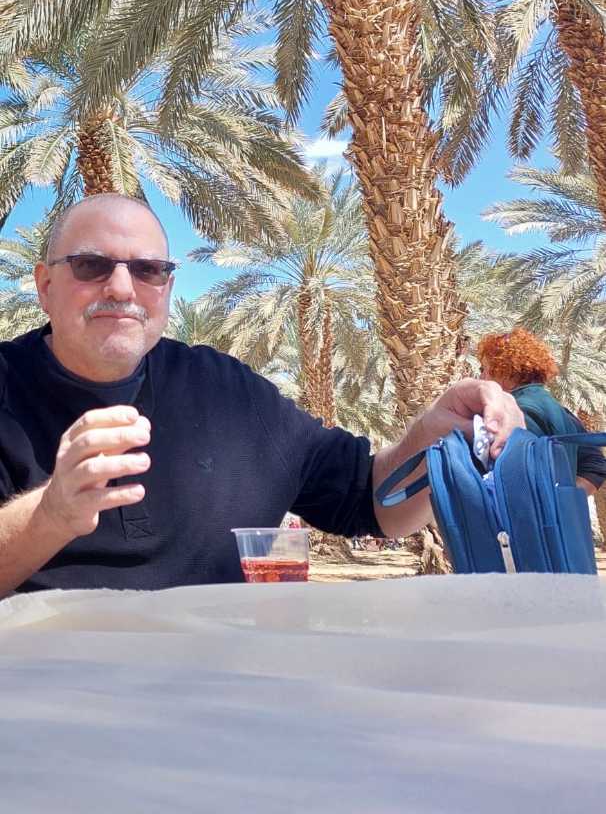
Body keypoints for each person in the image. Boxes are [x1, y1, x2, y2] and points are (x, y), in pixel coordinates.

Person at [0, 194, 525, 596]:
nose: (121, 288)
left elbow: (370, 502)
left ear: (166, 288)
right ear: (45, 286)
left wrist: (435, 437)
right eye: (91, 265)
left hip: (223, 685)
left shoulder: (226, 390)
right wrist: (51, 514)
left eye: (148, 270)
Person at [477, 329, 606, 496]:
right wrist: (562, 500)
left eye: (484, 369)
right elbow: (595, 465)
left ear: (505, 370)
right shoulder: (560, 412)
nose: (481, 377)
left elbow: (511, 477)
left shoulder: (516, 411)